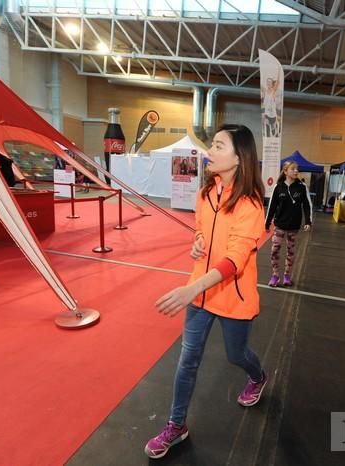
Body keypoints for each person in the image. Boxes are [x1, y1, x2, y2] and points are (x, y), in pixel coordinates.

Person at [145, 124, 267, 459]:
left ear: (239, 158)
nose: (209, 152)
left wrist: (191, 288)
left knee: (236, 355)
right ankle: (176, 424)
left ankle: (258, 377)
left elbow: (235, 261)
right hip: (199, 293)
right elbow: (202, 230)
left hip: (232, 297)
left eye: (218, 146)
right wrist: (198, 243)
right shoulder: (205, 193)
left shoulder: (251, 205)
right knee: (188, 361)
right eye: (211, 145)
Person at [264, 161, 312, 287]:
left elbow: (307, 205)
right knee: (274, 251)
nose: (296, 171)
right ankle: (275, 276)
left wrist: (308, 221)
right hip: (279, 225)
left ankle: (286, 275)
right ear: (285, 171)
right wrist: (267, 222)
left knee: (290, 253)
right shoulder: (278, 187)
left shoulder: (302, 187)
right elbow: (272, 206)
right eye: (293, 169)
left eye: (297, 169)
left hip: (293, 227)